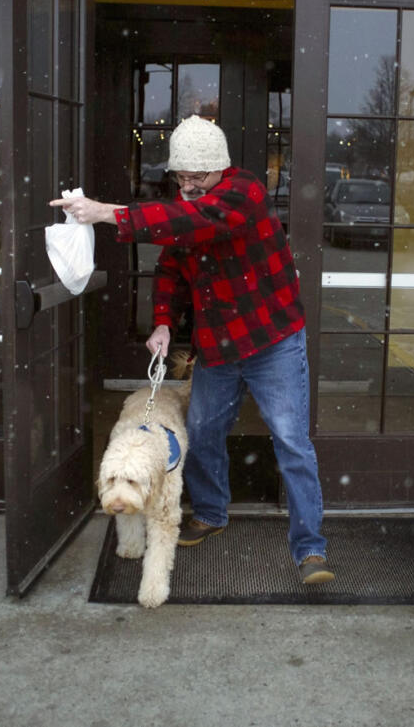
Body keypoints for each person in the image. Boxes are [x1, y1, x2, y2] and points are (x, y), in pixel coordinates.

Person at [50, 115, 334, 585]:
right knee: (201, 433)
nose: (188, 185)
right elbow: (171, 271)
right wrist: (163, 321)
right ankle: (210, 512)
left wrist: (106, 213)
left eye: (196, 176)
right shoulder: (189, 202)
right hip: (218, 346)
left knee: (291, 443)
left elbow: (195, 221)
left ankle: (310, 551)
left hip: (272, 343)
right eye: (181, 177)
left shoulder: (245, 194)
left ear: (220, 169)